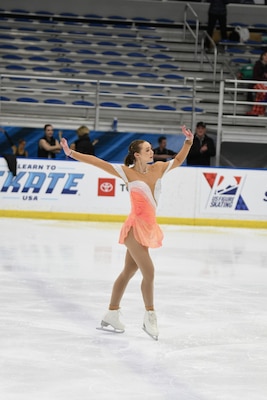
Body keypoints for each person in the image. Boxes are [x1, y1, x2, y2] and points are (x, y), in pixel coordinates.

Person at [60, 125, 194, 340]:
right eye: (148, 149)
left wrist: (188, 142)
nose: (152, 152)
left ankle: (112, 313)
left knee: (128, 272)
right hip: (134, 228)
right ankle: (150, 316)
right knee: (149, 272)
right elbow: (98, 162)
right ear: (137, 154)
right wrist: (70, 153)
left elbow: (177, 160)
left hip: (149, 228)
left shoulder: (158, 168)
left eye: (151, 149)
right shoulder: (127, 172)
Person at [246, 50, 267, 116]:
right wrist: (264, 78)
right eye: (266, 56)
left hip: (265, 83)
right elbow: (256, 77)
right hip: (257, 83)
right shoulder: (257, 65)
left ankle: (258, 110)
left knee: (262, 94)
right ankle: (260, 110)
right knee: (264, 93)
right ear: (262, 56)